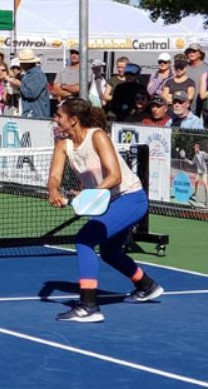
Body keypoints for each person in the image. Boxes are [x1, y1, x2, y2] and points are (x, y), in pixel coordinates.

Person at [48, 97, 163, 322]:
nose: (55, 119)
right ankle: (146, 286)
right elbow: (54, 176)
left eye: (59, 116)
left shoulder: (98, 136)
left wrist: (89, 194)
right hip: (108, 203)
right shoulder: (63, 144)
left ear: (73, 120)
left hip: (131, 199)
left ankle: (89, 306)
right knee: (109, 252)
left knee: (84, 240)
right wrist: (53, 191)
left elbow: (115, 176)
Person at [18, 49, 50, 119]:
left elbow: (31, 94)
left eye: (22, 62)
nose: (20, 64)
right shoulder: (29, 74)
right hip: (32, 114)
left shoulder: (37, 74)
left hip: (35, 115)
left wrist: (19, 85)